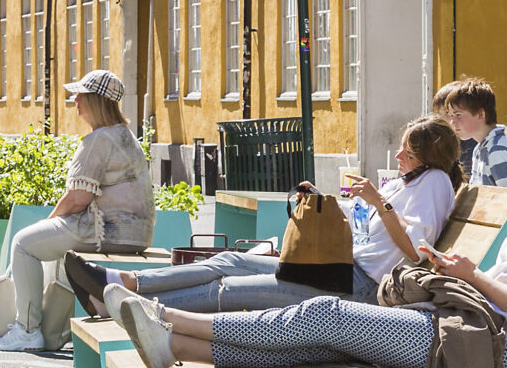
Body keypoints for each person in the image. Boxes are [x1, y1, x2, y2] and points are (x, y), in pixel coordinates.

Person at [108, 78, 507, 368]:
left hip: (490, 347)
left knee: (327, 315)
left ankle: (168, 319)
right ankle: (175, 346)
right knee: (327, 343)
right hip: (472, 326)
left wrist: (473, 277)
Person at [66, 115, 463, 317]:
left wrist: (379, 203)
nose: (397, 157)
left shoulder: (434, 185)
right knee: (228, 261)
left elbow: (415, 252)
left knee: (225, 290)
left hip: (357, 285)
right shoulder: (410, 181)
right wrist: (325, 201)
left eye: (407, 153)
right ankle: (124, 281)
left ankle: (120, 305)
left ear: (429, 157)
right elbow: (363, 221)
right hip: (335, 267)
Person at [0, 70, 154, 353]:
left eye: (81, 96)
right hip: (137, 235)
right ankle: (51, 329)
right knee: (46, 246)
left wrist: (51, 220)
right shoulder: (126, 137)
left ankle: (27, 331)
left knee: (24, 244)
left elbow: (77, 199)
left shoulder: (99, 139)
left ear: (96, 101)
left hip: (103, 230)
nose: (75, 101)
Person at [435, 77, 507, 187]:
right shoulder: (479, 149)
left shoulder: (498, 149)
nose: (452, 122)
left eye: (458, 115)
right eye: (451, 115)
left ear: (481, 115)